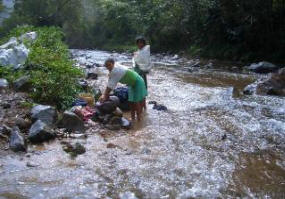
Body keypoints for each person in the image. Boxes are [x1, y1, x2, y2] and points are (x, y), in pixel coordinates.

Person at [132, 36, 152, 110]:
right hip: (137, 73)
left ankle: (144, 108)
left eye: (141, 43)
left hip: (142, 74)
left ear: (144, 44)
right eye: (138, 43)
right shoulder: (138, 52)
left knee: (142, 91)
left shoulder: (144, 52)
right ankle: (142, 109)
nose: (140, 44)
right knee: (139, 91)